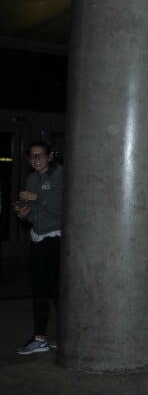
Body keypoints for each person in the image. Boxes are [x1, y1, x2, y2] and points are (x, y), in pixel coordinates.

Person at [14, 141, 63, 355]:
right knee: (39, 290)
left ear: (49, 157)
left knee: (57, 290)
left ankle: (69, 335)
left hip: (56, 238)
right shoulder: (32, 179)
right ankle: (40, 337)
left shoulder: (59, 175)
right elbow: (35, 214)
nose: (36, 159)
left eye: (40, 155)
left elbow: (61, 209)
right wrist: (24, 215)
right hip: (38, 239)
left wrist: (37, 197)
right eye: (32, 156)